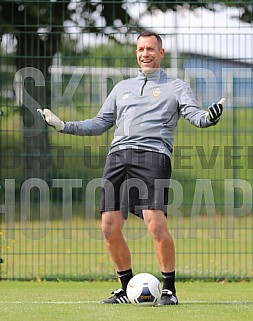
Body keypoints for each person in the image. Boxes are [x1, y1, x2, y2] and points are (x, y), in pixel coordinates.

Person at [38, 31, 224, 306]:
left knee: (155, 223)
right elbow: (100, 123)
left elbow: (194, 115)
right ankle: (126, 287)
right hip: (117, 157)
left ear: (161, 53)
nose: (145, 54)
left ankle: (169, 290)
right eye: (140, 49)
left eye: (150, 49)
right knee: (108, 226)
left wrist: (208, 118)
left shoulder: (176, 87)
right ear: (136, 53)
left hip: (153, 156)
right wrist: (65, 126)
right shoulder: (122, 87)